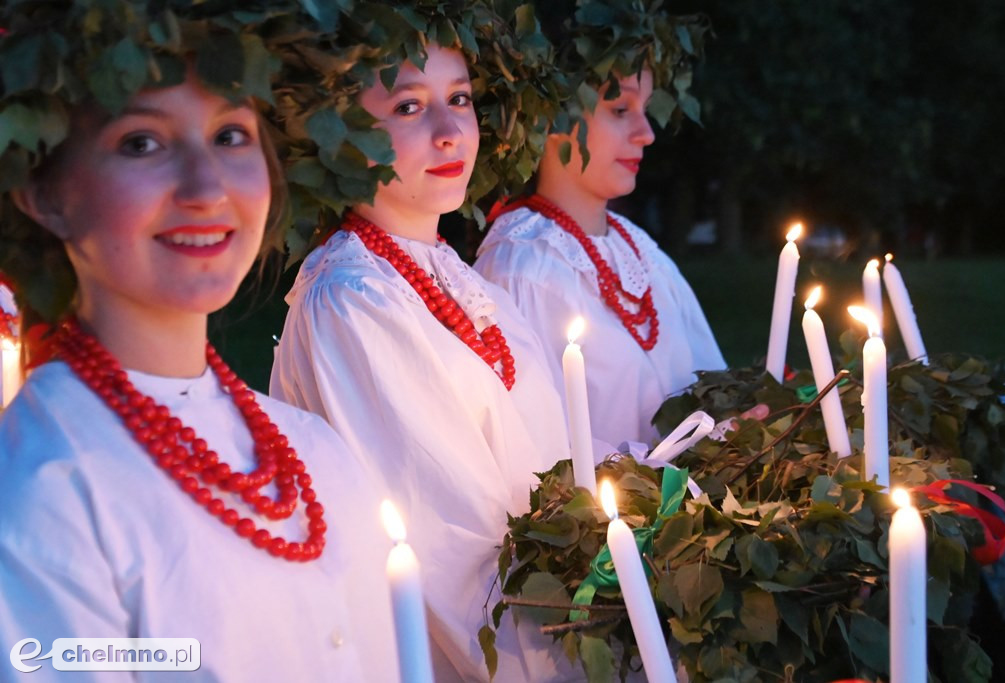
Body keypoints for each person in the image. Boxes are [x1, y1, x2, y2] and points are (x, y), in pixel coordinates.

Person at [0, 4, 399, 680]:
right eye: (141, 143)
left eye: (231, 135)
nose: (206, 186)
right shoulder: (46, 488)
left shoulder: (318, 453)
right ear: (42, 191)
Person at [269, 15, 579, 681]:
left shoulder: (450, 272)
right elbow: (452, 560)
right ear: (338, 132)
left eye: (459, 98)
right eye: (409, 105)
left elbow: (547, 460)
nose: (449, 130)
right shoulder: (353, 298)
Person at [474, 6, 724, 449]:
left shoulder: (638, 248)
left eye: (644, 108)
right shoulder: (523, 266)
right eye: (620, 107)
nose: (646, 132)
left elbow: (714, 389)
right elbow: (539, 450)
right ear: (550, 116)